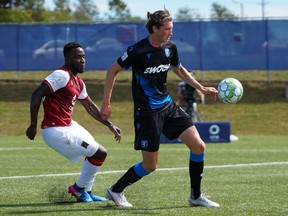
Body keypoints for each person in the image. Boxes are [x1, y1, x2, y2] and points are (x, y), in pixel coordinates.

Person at [100, 9, 220, 208]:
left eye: (172, 28)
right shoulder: (136, 51)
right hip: (147, 113)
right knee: (150, 165)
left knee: (198, 146)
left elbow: (179, 69)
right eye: (167, 29)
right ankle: (116, 190)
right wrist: (106, 103)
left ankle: (195, 196)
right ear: (155, 28)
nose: (171, 32)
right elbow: (112, 70)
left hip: (168, 106)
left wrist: (201, 88)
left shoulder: (170, 48)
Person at [26, 42, 122, 203]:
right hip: (56, 130)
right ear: (67, 58)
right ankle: (78, 189)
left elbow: (90, 107)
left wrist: (110, 125)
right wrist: (33, 125)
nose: (82, 60)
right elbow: (36, 95)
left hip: (69, 125)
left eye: (83, 57)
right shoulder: (60, 75)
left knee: (95, 152)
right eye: (77, 57)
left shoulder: (79, 82)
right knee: (100, 152)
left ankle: (87, 191)